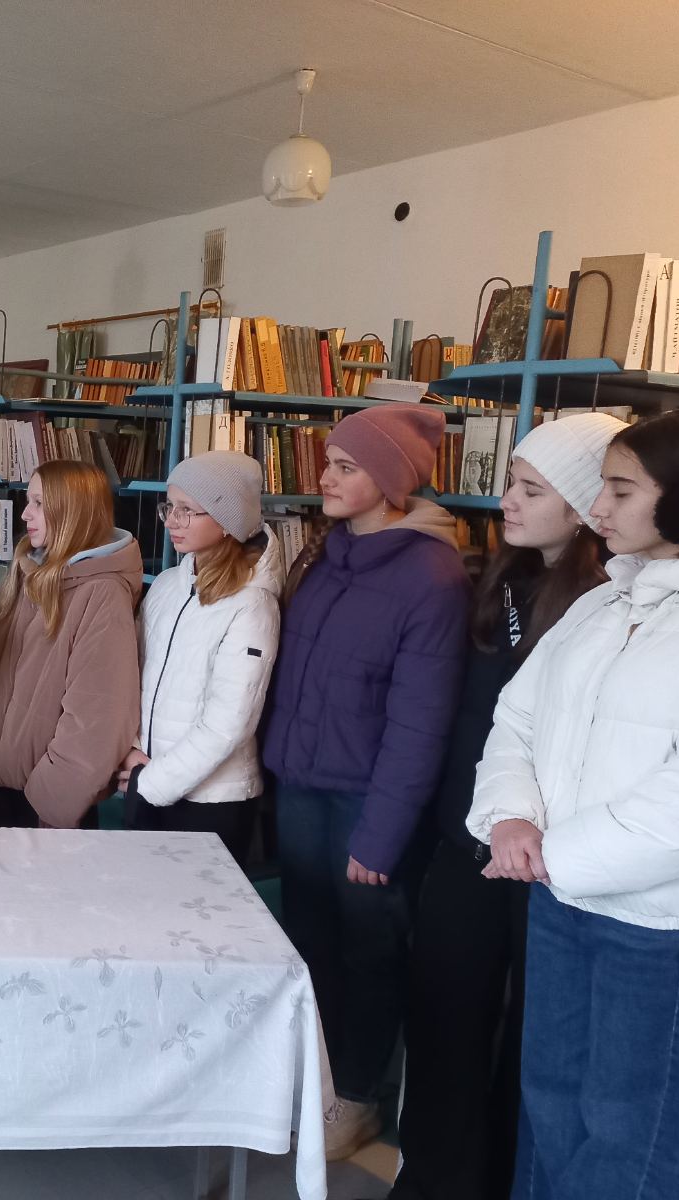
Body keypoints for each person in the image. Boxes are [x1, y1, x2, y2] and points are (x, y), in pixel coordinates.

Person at [468, 410, 679, 1200]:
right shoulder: (601, 605)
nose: (598, 507)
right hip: (558, 904)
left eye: (621, 490)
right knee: (549, 1107)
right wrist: (511, 818)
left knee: (633, 1133)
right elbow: (517, 720)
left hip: (657, 926)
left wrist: (546, 856)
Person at [390, 412, 624, 1200]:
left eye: (531, 489)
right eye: (511, 483)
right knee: (443, 1015)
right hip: (468, 839)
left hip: (547, 858)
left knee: (531, 1040)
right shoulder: (504, 576)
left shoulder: (605, 601)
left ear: (586, 507)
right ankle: (433, 1178)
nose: (506, 502)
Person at [260, 404, 470, 1159]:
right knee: (308, 941)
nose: (325, 477)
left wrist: (380, 836)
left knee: (369, 953)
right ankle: (313, 1075)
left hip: (365, 804)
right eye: (329, 462)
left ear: (389, 480)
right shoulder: (328, 555)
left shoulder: (432, 577)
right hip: (302, 786)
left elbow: (421, 724)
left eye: (345, 467)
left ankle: (356, 1095)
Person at [0, 460, 142, 828]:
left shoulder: (102, 592)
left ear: (72, 511)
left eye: (39, 503)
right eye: (29, 501)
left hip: (45, 804)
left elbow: (98, 716)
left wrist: (51, 799)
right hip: (4, 789)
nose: (25, 513)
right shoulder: (27, 572)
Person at [117, 451, 285, 862]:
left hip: (212, 802)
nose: (172, 521)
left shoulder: (252, 604)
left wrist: (152, 783)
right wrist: (132, 752)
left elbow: (229, 722)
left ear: (228, 521)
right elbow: (132, 675)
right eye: (169, 507)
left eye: (188, 510)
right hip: (146, 779)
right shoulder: (166, 586)